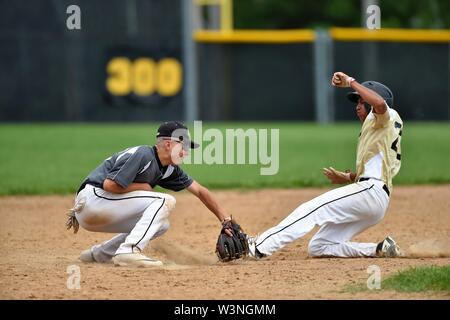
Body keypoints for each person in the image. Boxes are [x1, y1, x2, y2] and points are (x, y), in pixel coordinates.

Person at [247, 72, 404, 259]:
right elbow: (376, 168)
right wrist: (348, 177)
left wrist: (351, 82)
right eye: (357, 103)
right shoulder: (378, 128)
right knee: (319, 246)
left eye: (362, 101)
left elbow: (379, 104)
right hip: (375, 197)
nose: (358, 106)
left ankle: (258, 247)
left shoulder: (386, 115)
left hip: (371, 191)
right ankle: (379, 249)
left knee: (311, 209)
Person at [66, 121, 234, 267]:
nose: (186, 152)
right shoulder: (143, 155)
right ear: (169, 144)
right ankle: (129, 251)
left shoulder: (169, 169)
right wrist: (143, 187)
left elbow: (199, 191)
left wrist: (225, 220)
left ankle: (100, 254)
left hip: (100, 209)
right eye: (183, 146)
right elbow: (109, 184)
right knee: (166, 201)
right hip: (92, 201)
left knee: (161, 225)